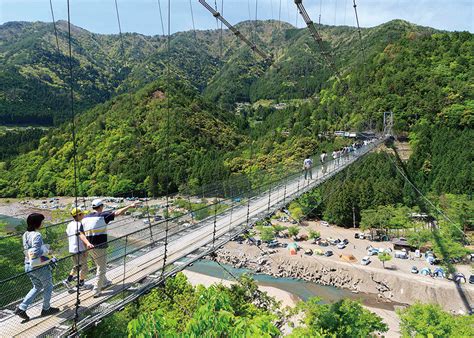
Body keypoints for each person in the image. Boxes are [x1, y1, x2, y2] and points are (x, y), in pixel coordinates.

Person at [82, 199, 139, 297]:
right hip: (100, 245)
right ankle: (96, 290)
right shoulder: (103, 216)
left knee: (98, 264)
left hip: (89, 246)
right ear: (101, 206)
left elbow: (81, 232)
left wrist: (86, 244)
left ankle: (105, 281)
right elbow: (117, 212)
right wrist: (130, 206)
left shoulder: (85, 218)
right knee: (101, 267)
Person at [15, 213, 59, 321]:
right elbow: (34, 253)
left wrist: (46, 252)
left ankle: (22, 308)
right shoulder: (37, 235)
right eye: (42, 221)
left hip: (28, 266)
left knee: (37, 287)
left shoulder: (25, 234)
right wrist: (48, 257)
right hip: (38, 267)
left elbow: (29, 251)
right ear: (37, 223)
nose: (43, 223)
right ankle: (46, 309)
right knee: (49, 286)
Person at [63, 207, 94, 290]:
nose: (84, 215)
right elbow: (82, 237)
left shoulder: (69, 225)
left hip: (72, 249)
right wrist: (86, 249)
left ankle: (68, 280)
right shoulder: (80, 225)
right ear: (78, 215)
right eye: (82, 214)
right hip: (80, 249)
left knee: (77, 266)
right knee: (84, 268)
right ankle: (81, 284)